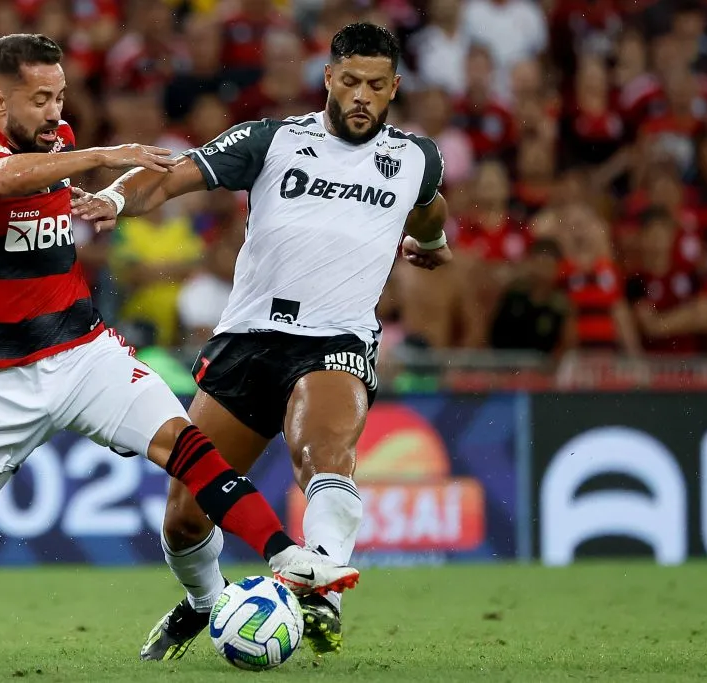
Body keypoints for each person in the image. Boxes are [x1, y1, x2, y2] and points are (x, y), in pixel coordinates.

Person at [0, 33, 359, 667]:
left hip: (85, 350)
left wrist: (106, 194)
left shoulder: (56, 144)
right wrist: (100, 155)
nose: (54, 112)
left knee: (188, 445)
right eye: (39, 99)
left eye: (60, 97)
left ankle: (287, 557)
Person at [72, 22, 450, 658]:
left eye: (377, 86)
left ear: (394, 89)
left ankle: (321, 595)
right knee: (186, 515)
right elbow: (169, 178)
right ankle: (203, 603)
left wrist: (433, 244)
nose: (362, 95)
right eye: (351, 81)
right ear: (329, 78)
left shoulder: (416, 156)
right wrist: (115, 197)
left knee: (323, 454)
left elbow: (430, 202)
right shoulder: (272, 140)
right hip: (249, 338)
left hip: (336, 340)